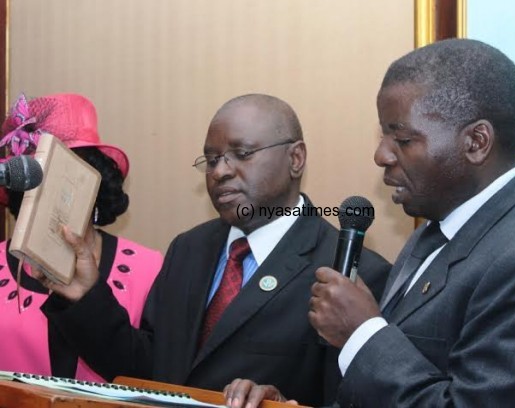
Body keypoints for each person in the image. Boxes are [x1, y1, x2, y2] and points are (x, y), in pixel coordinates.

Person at [226, 39, 515, 408]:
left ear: (476, 142)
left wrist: (362, 333)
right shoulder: (430, 236)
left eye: (402, 138)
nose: (381, 154)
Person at [36, 93, 390, 407]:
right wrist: (85, 296)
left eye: (242, 154)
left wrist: (282, 404)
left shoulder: (349, 272)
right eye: (211, 159)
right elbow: (147, 369)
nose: (220, 171)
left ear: (295, 158)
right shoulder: (188, 248)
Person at [0, 93, 163, 382]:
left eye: (64, 168)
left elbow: (160, 375)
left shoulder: (150, 269)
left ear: (93, 180)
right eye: (37, 171)